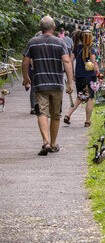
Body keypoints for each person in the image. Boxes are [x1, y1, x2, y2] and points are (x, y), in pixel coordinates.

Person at [22, 16, 74, 155]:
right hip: (56, 84)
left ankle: (45, 142)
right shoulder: (60, 42)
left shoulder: (32, 42)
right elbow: (67, 61)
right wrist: (70, 82)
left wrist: (25, 78)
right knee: (56, 115)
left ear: (40, 28)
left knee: (42, 113)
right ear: (54, 28)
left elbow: (25, 62)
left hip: (40, 85)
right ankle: (53, 143)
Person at [63, 30, 99, 127]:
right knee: (90, 98)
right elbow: (93, 63)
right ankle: (87, 121)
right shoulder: (91, 49)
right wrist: (98, 71)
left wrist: (72, 75)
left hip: (79, 76)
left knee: (81, 96)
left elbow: (69, 62)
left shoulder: (76, 49)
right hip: (90, 76)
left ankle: (68, 114)